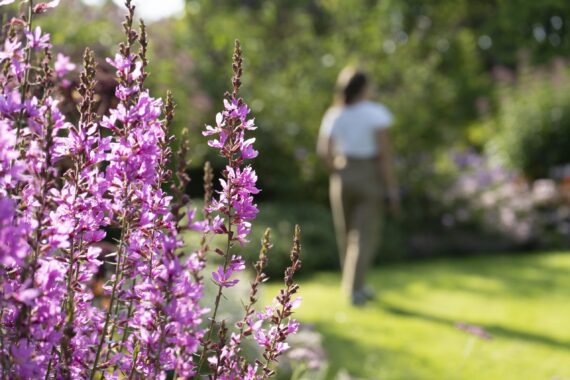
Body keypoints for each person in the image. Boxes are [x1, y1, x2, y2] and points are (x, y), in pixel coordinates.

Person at [317, 67, 400, 306]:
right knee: (364, 236)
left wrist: (337, 170)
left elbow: (324, 151)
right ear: (364, 88)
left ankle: (355, 285)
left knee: (345, 232)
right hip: (369, 173)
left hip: (343, 173)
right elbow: (384, 155)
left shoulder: (335, 114)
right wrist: (392, 189)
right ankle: (355, 290)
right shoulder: (376, 113)